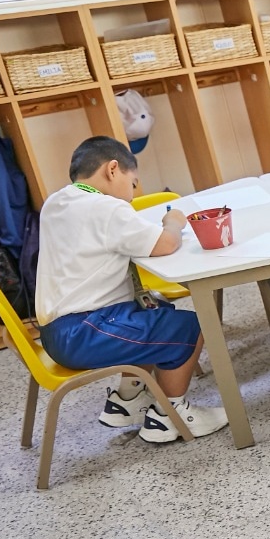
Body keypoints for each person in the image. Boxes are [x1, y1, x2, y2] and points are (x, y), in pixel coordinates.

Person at [34, 137, 228, 442]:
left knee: (154, 311)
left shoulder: (57, 202)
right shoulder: (107, 209)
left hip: (59, 330)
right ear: (113, 170)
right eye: (132, 182)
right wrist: (173, 222)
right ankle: (171, 416)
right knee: (191, 325)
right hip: (83, 332)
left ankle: (126, 402)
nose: (132, 194)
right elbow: (166, 243)